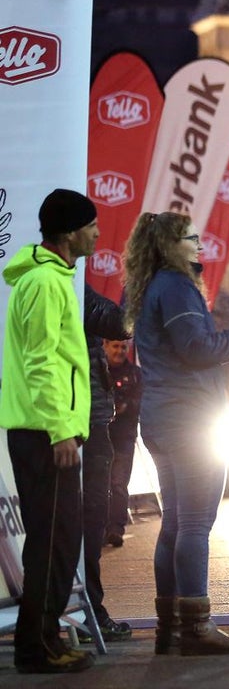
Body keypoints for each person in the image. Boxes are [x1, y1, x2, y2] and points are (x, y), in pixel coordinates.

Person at [121, 211, 229, 656]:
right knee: (194, 523)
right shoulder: (175, 286)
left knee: (174, 523)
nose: (200, 244)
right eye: (191, 238)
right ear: (171, 245)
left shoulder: (149, 286)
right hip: (190, 419)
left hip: (162, 417)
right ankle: (196, 626)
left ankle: (170, 627)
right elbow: (198, 349)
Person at [0, 188, 100, 673]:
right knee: (51, 542)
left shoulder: (53, 278)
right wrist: (62, 430)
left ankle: (43, 641)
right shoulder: (44, 283)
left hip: (47, 431)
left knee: (58, 541)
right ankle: (35, 649)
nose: (98, 232)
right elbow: (42, 363)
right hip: (44, 435)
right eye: (91, 224)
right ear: (69, 233)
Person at [79, 285, 133, 644]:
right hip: (78, 426)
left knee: (86, 524)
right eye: (88, 226)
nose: (96, 235)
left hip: (85, 422)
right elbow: (119, 323)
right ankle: (87, 614)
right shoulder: (63, 280)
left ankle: (80, 613)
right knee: (85, 524)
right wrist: (140, 277)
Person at [104, 337, 143, 547]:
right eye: (115, 346)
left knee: (118, 484)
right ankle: (99, 529)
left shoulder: (135, 374)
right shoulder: (99, 370)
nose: (120, 351)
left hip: (123, 438)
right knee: (100, 485)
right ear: (105, 346)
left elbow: (143, 400)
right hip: (100, 436)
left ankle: (116, 529)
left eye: (123, 347)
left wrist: (127, 404)